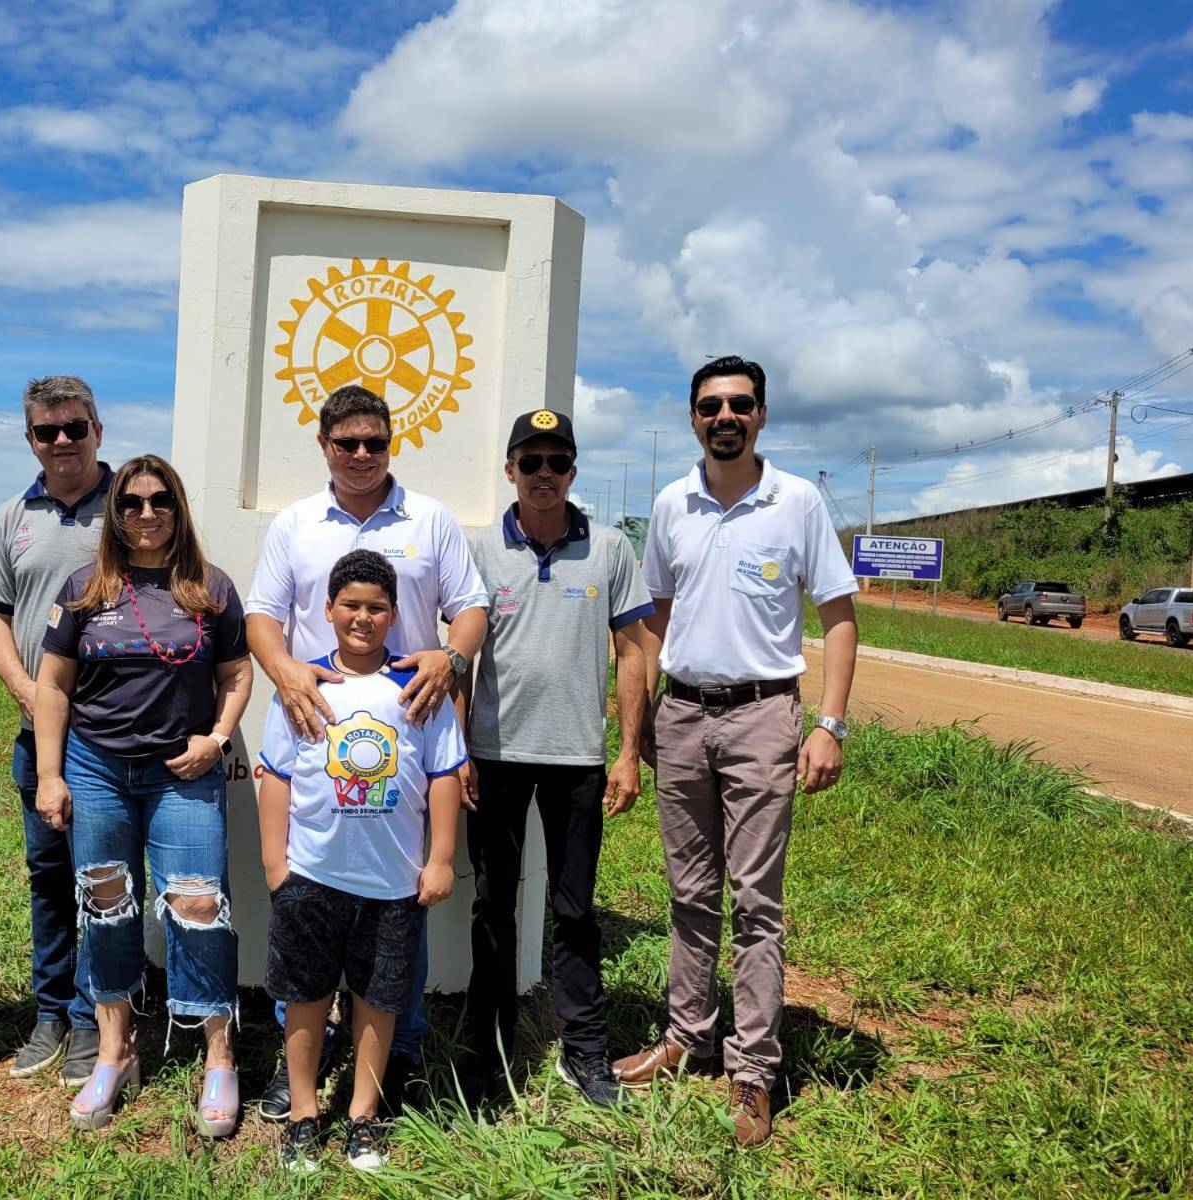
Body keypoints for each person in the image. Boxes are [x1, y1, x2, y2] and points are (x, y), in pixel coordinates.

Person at [612, 356, 858, 1148]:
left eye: (739, 404)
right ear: (693, 417)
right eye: (711, 405)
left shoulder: (798, 503)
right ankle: (686, 1037)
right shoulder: (671, 504)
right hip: (681, 714)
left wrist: (830, 724)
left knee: (756, 904)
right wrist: (642, 716)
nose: (725, 415)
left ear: (760, 416)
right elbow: (655, 620)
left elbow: (840, 616)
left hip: (762, 717)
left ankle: (753, 1070)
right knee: (687, 892)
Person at [244, 384, 487, 1119]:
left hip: (407, 732)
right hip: (316, 733)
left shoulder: (431, 519)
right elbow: (261, 616)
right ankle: (303, 1080)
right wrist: (284, 672)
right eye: (344, 442)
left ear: (390, 446)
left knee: (398, 898)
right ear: (323, 446)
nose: (359, 455)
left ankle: (395, 1061)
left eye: (373, 443)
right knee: (317, 924)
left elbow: (471, 608)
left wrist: (450, 656)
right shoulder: (295, 525)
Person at [32, 455, 254, 1135]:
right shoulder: (83, 588)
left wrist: (216, 740)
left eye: (160, 502)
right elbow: (53, 686)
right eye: (132, 503)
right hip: (96, 770)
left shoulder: (209, 588)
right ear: (116, 513)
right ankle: (115, 1051)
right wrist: (50, 773)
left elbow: (238, 673)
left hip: (181, 772)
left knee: (197, 903)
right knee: (105, 904)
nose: (147, 514)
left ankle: (220, 1054)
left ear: (178, 509)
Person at [458, 409, 654, 1109]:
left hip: (577, 761)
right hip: (494, 756)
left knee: (574, 912)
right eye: (530, 461)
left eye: (557, 462)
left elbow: (634, 653)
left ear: (574, 471)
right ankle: (492, 1053)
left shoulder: (607, 550)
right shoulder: (479, 549)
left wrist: (628, 752)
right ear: (509, 469)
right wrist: (458, 751)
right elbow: (460, 660)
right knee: (492, 909)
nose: (544, 475)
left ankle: (585, 1051)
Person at [257, 550, 466, 1173]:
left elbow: (444, 776)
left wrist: (443, 857)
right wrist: (275, 863)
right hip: (311, 874)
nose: (363, 618)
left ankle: (362, 1115)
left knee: (379, 1000)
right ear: (328, 610)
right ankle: (301, 1114)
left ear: (395, 615)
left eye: (377, 608)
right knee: (305, 996)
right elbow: (275, 776)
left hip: (393, 880)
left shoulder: (417, 688)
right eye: (351, 605)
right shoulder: (304, 684)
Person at [0, 375, 110, 1087]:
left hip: (119, 737)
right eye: (46, 431)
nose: (62, 442)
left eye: (74, 428)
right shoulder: (9, 519)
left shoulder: (134, 507)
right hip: (41, 735)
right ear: (30, 439)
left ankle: (95, 1020)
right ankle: (52, 1011)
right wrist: (29, 691)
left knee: (108, 881)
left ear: (98, 431)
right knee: (49, 878)